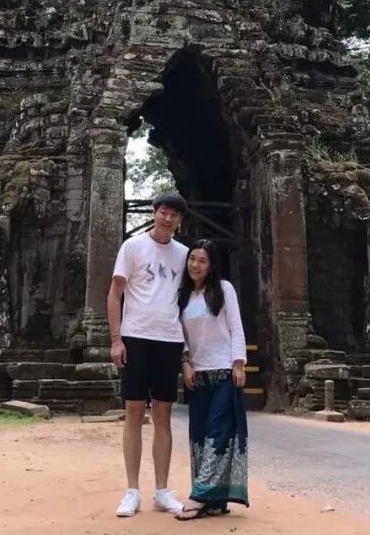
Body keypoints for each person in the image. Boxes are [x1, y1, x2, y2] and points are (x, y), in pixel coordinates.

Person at [108, 192, 190, 518]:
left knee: (162, 413)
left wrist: (188, 352)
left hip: (169, 339)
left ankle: (162, 490)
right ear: (154, 212)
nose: (168, 219)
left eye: (174, 215)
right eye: (164, 212)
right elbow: (115, 293)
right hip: (136, 337)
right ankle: (132, 490)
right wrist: (116, 339)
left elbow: (192, 301)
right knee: (133, 410)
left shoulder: (184, 255)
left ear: (180, 221)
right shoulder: (133, 247)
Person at [175, 239, 249, 521]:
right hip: (198, 375)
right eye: (192, 258)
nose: (195, 265)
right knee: (199, 436)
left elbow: (236, 327)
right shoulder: (182, 295)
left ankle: (198, 496)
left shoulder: (224, 289)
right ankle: (215, 501)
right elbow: (178, 333)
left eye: (202, 260)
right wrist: (185, 363)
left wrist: (238, 363)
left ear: (211, 266)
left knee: (218, 434)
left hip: (224, 372)